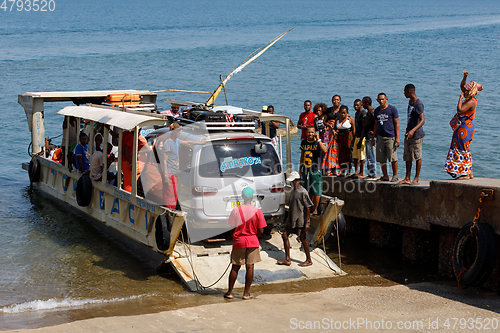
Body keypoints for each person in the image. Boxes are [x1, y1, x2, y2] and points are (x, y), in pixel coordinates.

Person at [224, 187, 267, 300]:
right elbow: (261, 230)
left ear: (243, 197)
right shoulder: (258, 211)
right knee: (250, 267)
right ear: (252, 197)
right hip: (252, 241)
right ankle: (246, 293)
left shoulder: (235, 210)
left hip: (239, 241)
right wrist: (255, 234)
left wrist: (235, 237)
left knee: (235, 266)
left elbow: (231, 228)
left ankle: (229, 292)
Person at [444, 70, 483, 180]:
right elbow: (462, 86)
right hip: (465, 126)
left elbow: (460, 110)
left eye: (465, 90)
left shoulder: (471, 102)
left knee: (461, 148)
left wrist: (460, 98)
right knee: (464, 148)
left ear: (470, 91)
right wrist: (465, 77)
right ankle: (469, 172)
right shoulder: (471, 99)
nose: (463, 91)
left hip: (465, 128)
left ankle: (465, 174)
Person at [162, 123, 206, 208]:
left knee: (174, 194)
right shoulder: (167, 143)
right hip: (170, 173)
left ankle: (173, 210)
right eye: (178, 131)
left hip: (175, 173)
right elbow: (164, 160)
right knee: (169, 196)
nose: (179, 132)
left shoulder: (177, 141)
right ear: (172, 131)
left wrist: (200, 143)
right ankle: (169, 213)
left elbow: (188, 143)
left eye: (180, 131)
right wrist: (166, 176)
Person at [277, 171, 314, 267]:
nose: (290, 183)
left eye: (292, 181)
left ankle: (309, 260)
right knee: (284, 235)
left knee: (303, 238)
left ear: (296, 181)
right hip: (291, 219)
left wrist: (307, 222)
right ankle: (287, 259)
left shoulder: (303, 192)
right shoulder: (293, 190)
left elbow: (308, 208)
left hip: (300, 219)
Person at [399, 84, 425, 185]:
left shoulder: (418, 104)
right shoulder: (410, 102)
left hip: (417, 135)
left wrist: (413, 130)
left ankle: (416, 178)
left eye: (405, 91)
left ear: (409, 92)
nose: (404, 93)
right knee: (407, 156)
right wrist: (408, 129)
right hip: (408, 134)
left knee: (417, 156)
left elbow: (422, 120)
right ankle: (407, 177)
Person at [371, 93, 400, 182]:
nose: (381, 101)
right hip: (380, 137)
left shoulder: (392, 109)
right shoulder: (377, 111)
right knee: (381, 158)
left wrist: (397, 137)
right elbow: (376, 125)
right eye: (379, 99)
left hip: (390, 137)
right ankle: (385, 176)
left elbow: (396, 124)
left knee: (393, 157)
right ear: (377, 100)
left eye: (383, 99)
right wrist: (373, 137)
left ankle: (394, 175)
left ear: (386, 99)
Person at [300, 127, 327, 215]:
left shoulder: (318, 142)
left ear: (315, 133)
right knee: (308, 190)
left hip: (316, 169)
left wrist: (319, 139)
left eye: (312, 132)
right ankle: (309, 207)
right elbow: (302, 155)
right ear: (306, 133)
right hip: (306, 169)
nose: (310, 134)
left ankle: (316, 209)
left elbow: (325, 150)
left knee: (316, 190)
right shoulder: (304, 142)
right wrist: (300, 168)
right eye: (309, 132)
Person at [335, 105, 355, 177]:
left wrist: (353, 139)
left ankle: (349, 171)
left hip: (348, 138)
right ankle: (342, 171)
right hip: (340, 139)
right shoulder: (337, 119)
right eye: (342, 113)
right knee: (341, 155)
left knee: (349, 155)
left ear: (347, 113)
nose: (343, 114)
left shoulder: (350, 119)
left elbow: (353, 129)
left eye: (344, 113)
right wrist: (335, 132)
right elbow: (335, 129)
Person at [360, 96, 377, 180]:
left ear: (367, 103)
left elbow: (377, 123)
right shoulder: (369, 113)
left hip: (371, 137)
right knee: (369, 156)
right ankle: (371, 173)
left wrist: (374, 133)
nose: (362, 105)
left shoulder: (372, 113)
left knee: (371, 156)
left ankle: (372, 174)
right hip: (368, 137)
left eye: (363, 103)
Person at [352, 99, 367, 178]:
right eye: (354, 105)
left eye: (357, 105)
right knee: (355, 156)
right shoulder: (356, 113)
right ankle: (356, 171)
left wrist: (361, 140)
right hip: (357, 136)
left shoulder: (363, 113)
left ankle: (361, 172)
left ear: (361, 105)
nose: (356, 107)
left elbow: (364, 127)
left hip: (362, 137)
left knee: (361, 156)